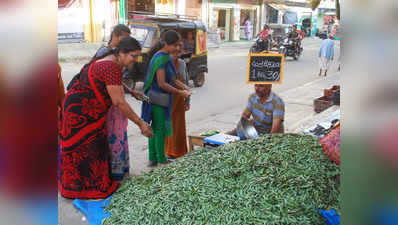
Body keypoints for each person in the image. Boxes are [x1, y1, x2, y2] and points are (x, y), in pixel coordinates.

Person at [59, 37, 153, 199]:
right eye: (133, 56)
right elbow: (118, 102)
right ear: (121, 53)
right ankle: (84, 189)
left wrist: (131, 91)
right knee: (88, 149)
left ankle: (78, 187)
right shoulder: (111, 67)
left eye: (137, 56)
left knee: (94, 147)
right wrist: (140, 123)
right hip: (81, 112)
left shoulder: (111, 60)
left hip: (81, 109)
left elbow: (112, 84)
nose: (135, 60)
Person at [141, 30, 192, 167]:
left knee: (156, 128)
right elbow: (163, 83)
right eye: (174, 45)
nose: (177, 48)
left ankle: (153, 158)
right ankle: (160, 159)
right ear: (165, 44)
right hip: (156, 99)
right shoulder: (160, 59)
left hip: (161, 99)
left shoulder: (167, 57)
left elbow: (174, 79)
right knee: (159, 130)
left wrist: (185, 88)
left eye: (178, 45)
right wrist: (180, 93)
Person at [165, 42, 191, 159]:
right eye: (174, 53)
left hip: (179, 100)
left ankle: (178, 151)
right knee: (167, 126)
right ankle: (167, 151)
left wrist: (187, 101)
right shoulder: (164, 64)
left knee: (178, 127)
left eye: (178, 53)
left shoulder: (181, 64)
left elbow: (185, 82)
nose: (176, 55)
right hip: (167, 100)